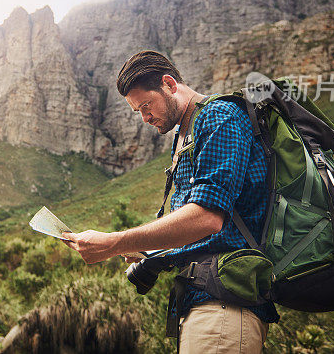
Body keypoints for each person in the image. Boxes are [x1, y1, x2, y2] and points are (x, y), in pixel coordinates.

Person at [62, 50, 278, 354]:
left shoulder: (219, 116)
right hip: (207, 304)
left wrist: (114, 242)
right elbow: (207, 229)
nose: (145, 118)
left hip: (224, 308)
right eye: (137, 111)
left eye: (146, 106)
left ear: (169, 84)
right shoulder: (188, 133)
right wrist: (144, 250)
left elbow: (207, 219)